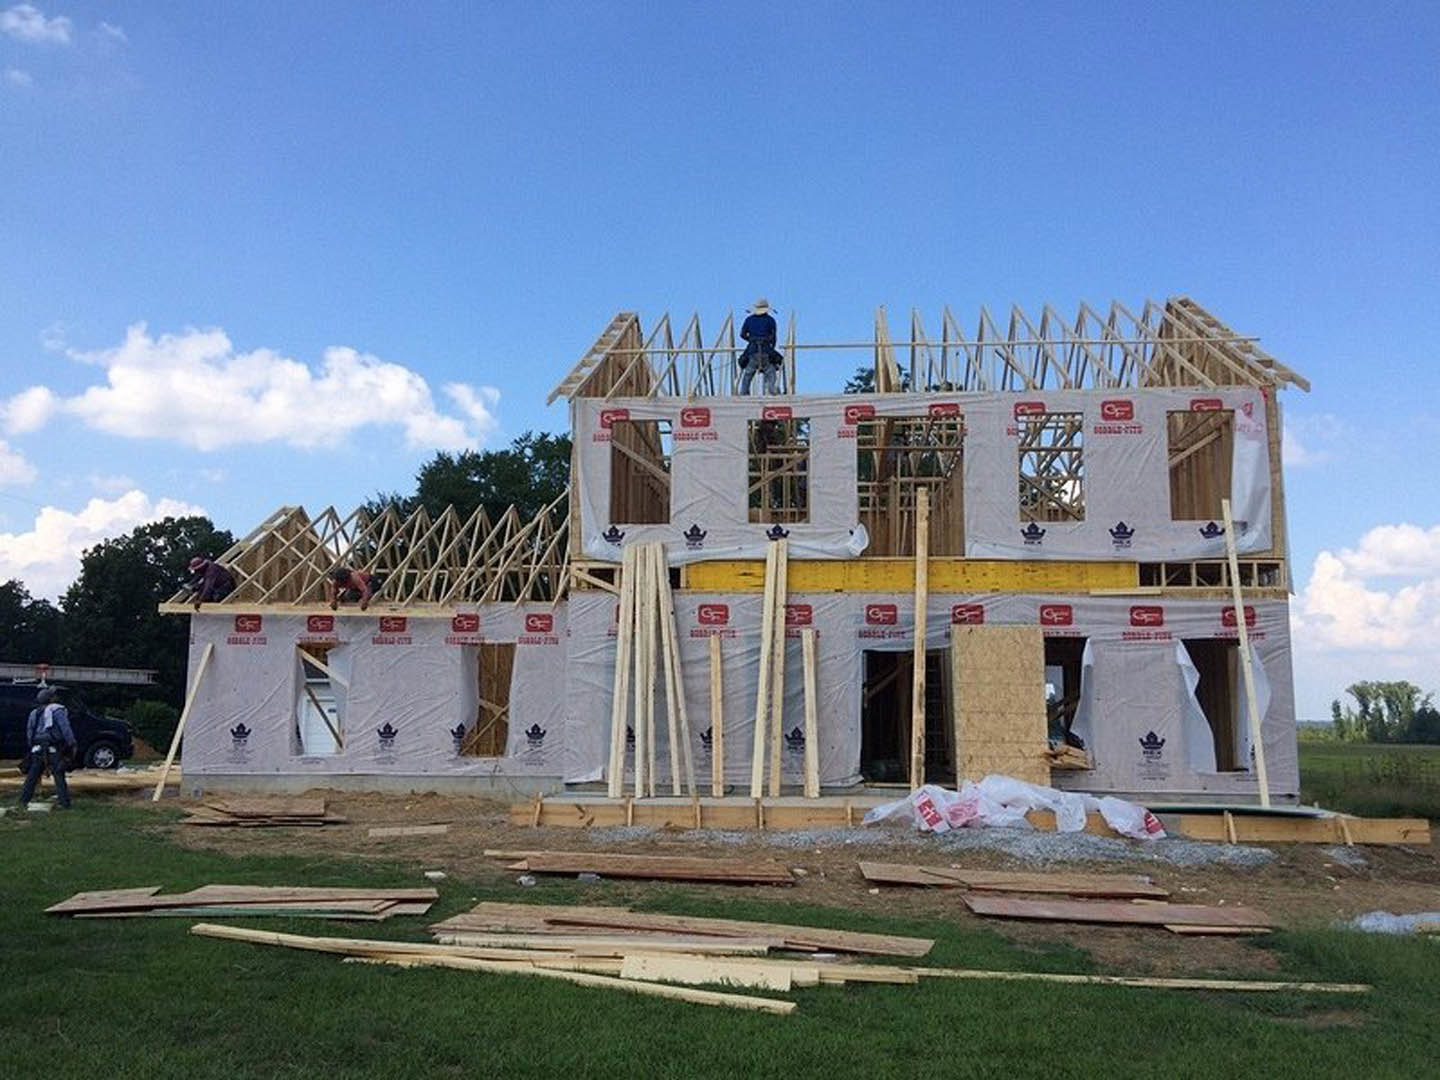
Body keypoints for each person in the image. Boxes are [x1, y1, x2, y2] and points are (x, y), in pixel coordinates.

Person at [19, 686, 75, 809]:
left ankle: (23, 801)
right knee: (59, 775)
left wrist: (31, 746)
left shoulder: (34, 713)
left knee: (32, 776)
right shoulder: (57, 710)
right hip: (53, 747)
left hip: (37, 748)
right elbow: (65, 729)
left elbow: (30, 732)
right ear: (51, 699)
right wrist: (71, 743)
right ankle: (64, 803)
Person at [739, 297, 783, 395]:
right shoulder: (770, 320)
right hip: (766, 350)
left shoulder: (749, 320)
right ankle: (772, 390)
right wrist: (771, 349)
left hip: (752, 350)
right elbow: (773, 338)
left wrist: (751, 340)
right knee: (770, 372)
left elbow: (742, 334)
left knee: (748, 373)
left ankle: (743, 393)